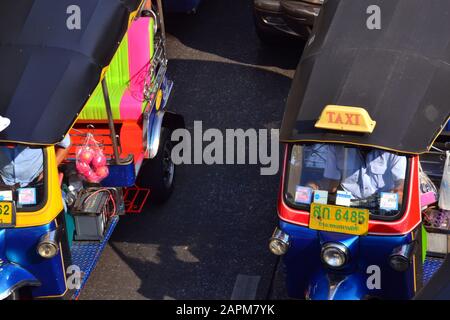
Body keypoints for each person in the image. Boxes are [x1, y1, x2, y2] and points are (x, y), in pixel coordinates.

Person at [307, 145, 407, 203]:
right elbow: (331, 184)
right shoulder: (337, 146)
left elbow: (402, 190)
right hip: (344, 208)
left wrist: (388, 200)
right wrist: (313, 188)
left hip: (381, 212)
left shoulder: (396, 150)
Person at [0, 135, 71, 188]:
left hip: (36, 182)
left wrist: (48, 170)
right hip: (2, 180)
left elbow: (66, 144)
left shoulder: (46, 120)